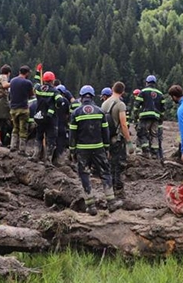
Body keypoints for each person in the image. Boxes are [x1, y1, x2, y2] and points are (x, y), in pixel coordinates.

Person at [69, 85, 123, 215]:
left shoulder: (76, 113)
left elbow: (72, 134)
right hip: (98, 148)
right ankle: (111, 202)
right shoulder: (99, 112)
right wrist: (106, 147)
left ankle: (91, 206)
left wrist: (72, 150)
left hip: (82, 150)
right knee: (105, 173)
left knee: (84, 175)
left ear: (81, 97)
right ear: (92, 96)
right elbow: (106, 131)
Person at [100, 82, 135, 199]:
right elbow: (124, 125)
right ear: (123, 92)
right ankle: (119, 193)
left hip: (106, 139)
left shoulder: (104, 103)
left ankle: (109, 191)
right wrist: (129, 142)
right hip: (117, 139)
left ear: (112, 89)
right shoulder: (120, 104)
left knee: (109, 165)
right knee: (119, 165)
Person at [32, 71, 63, 165]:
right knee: (51, 139)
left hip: (39, 116)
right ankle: (48, 160)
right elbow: (60, 100)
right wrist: (56, 107)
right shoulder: (54, 91)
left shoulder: (38, 89)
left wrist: (38, 72)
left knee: (38, 136)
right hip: (50, 118)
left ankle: (35, 156)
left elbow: (36, 83)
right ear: (52, 80)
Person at [135, 75, 165, 160]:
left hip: (145, 117)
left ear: (147, 82)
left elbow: (136, 105)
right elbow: (163, 108)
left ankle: (146, 152)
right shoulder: (160, 93)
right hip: (156, 118)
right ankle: (155, 154)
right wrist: (161, 118)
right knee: (154, 135)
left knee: (143, 133)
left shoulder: (143, 91)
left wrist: (136, 116)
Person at [8, 65, 34, 153]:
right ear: (27, 73)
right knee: (23, 129)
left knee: (15, 128)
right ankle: (22, 149)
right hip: (23, 108)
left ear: (19, 72)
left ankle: (13, 146)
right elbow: (31, 95)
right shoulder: (28, 83)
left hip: (13, 108)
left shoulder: (12, 81)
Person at [0, 64, 12, 146]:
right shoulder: (4, 77)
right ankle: (8, 141)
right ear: (8, 73)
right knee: (8, 121)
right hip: (2, 101)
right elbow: (5, 85)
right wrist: (13, 83)